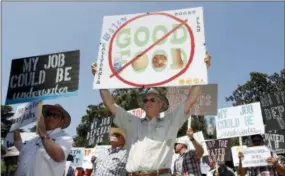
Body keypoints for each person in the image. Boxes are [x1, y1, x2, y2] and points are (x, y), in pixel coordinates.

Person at [91, 53, 211, 175]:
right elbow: (110, 105)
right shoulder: (132, 122)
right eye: (145, 100)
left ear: (161, 105)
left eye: (153, 99)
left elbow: (190, 100)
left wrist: (202, 71)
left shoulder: (170, 121)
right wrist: (99, 79)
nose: (148, 102)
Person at [14, 104, 73, 176]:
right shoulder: (34, 139)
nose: (51, 117)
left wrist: (43, 133)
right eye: (49, 114)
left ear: (62, 120)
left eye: (56, 115)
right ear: (44, 117)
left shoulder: (65, 138)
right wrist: (15, 129)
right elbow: (21, 147)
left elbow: (59, 156)